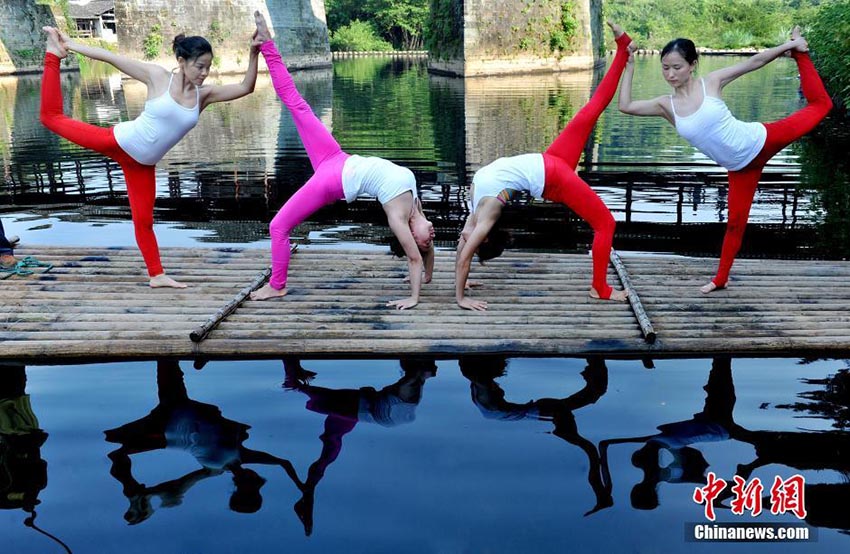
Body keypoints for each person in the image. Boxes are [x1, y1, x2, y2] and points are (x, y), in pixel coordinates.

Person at [39, 26, 263, 288]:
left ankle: (157, 275)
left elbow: (246, 87)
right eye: (199, 66)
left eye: (208, 68)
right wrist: (69, 45)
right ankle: (51, 55)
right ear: (181, 62)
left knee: (144, 221)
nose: (204, 73)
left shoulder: (204, 96)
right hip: (117, 141)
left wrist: (253, 52)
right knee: (51, 118)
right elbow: (111, 58)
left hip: (143, 166)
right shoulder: (158, 77)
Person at [618, 27, 832, 293]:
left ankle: (801, 51)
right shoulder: (666, 105)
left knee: (821, 106)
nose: (670, 74)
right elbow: (625, 106)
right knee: (734, 224)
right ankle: (720, 279)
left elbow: (754, 62)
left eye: (677, 67)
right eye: (665, 68)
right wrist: (628, 67)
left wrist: (788, 47)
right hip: (739, 169)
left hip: (762, 140)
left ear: (692, 64)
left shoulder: (711, 83)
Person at [248, 13, 435, 309]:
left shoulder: (399, 216)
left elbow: (414, 257)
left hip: (331, 181)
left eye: (425, 240)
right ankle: (267, 44)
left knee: (278, 227)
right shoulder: (415, 202)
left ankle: (277, 286)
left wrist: (413, 297)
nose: (431, 236)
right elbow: (425, 254)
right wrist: (427, 275)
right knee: (297, 104)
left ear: (411, 234)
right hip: (335, 156)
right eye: (430, 238)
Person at [455, 22, 633, 310]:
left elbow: (462, 253)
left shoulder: (474, 211)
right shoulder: (487, 214)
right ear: (484, 237)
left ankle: (623, 50)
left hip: (549, 159)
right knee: (606, 223)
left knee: (591, 110)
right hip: (553, 177)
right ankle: (599, 288)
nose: (462, 238)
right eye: (473, 241)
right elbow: (464, 255)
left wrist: (463, 282)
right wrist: (461, 298)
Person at [103, 360, 302, 524]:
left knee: (115, 444)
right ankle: (137, 494)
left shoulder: (219, 466)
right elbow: (283, 462)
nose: (254, 475)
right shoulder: (233, 460)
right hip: (172, 419)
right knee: (116, 445)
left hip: (166, 424)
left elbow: (181, 483)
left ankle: (135, 494)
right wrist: (304, 489)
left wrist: (303, 488)